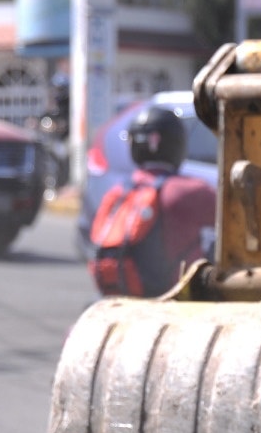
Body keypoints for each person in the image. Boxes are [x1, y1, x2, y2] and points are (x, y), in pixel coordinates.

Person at [88, 105, 216, 298]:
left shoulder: (118, 192)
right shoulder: (190, 191)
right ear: (178, 144)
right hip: (173, 297)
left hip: (118, 293)